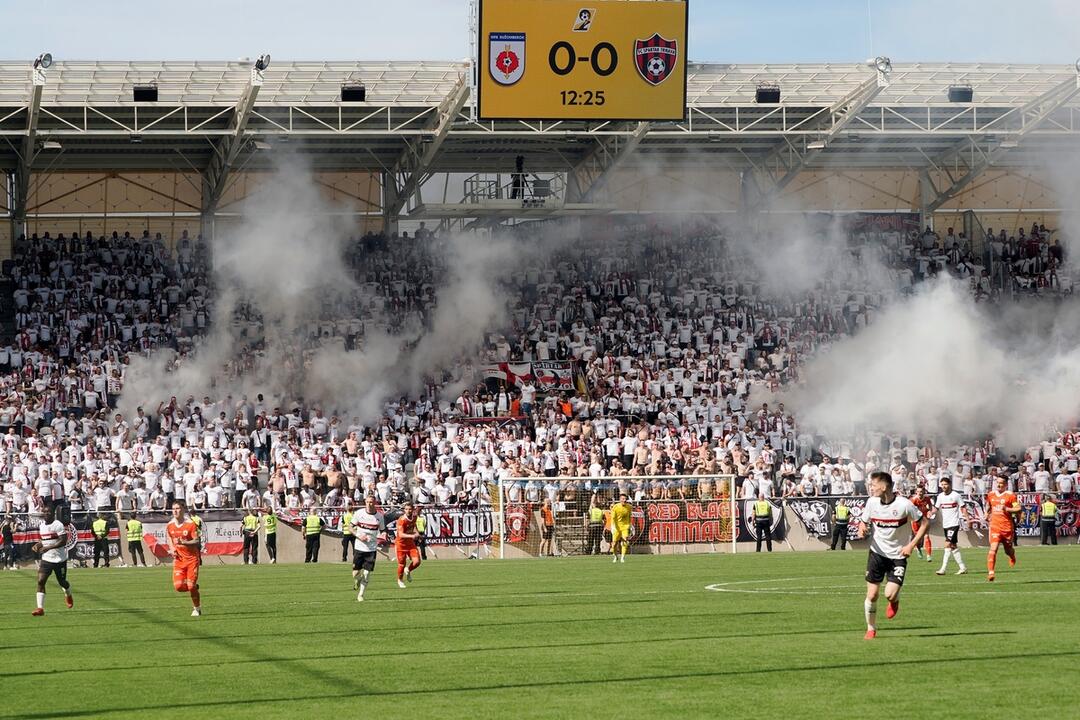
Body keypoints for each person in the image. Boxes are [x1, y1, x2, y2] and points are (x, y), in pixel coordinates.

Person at [858, 472, 928, 640]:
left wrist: (911, 545)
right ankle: (871, 628)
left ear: (884, 486)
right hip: (877, 553)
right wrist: (862, 528)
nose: (871, 488)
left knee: (889, 593)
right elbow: (863, 522)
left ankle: (894, 600)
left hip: (898, 555)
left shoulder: (905, 505)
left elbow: (925, 522)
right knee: (872, 594)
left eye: (873, 485)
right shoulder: (872, 502)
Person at [31, 505, 73, 615]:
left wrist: (48, 548)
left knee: (62, 582)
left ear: (53, 513)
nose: (46, 514)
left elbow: (63, 541)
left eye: (49, 512)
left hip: (59, 559)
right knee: (41, 581)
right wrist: (38, 545)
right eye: (44, 512)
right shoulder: (42, 526)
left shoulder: (57, 525)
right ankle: (40, 608)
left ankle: (68, 594)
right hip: (46, 559)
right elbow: (45, 540)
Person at [165, 500, 202, 616]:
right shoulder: (170, 525)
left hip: (192, 559)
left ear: (183, 509)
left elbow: (197, 541)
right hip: (179, 560)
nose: (175, 511)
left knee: (190, 586)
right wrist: (172, 549)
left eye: (178, 508)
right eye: (173, 508)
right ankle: (193, 586)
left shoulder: (190, 524)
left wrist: (184, 542)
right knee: (179, 587)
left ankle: (197, 608)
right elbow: (169, 537)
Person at [349, 495, 385, 602]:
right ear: (365, 502)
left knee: (367, 573)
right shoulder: (359, 513)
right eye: (367, 502)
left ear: (375, 503)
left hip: (371, 549)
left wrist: (383, 535)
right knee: (355, 573)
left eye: (371, 502)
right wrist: (358, 535)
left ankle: (361, 595)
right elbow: (350, 527)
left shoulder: (379, 516)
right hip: (359, 547)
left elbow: (383, 530)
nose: (369, 504)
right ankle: (357, 580)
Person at [985, 476, 1020, 581]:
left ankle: (1012, 556)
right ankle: (991, 573)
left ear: (1006, 485)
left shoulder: (1010, 496)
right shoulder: (991, 495)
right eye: (998, 482)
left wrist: (1008, 509)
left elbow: (1018, 508)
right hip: (995, 526)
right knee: (993, 548)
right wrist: (986, 514)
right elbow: (988, 506)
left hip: (1007, 527)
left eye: (1001, 483)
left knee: (1008, 550)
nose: (999, 485)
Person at [934, 477, 968, 575]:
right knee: (953, 546)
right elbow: (936, 508)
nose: (944, 486)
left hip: (954, 524)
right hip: (946, 524)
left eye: (945, 484)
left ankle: (943, 569)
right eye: (942, 484)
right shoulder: (940, 496)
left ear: (950, 485)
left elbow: (963, 507)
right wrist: (929, 513)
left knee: (947, 544)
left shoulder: (956, 495)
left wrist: (968, 519)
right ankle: (962, 567)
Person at [395, 501, 422, 589]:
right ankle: (400, 580)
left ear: (413, 509)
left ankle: (408, 570)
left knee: (417, 562)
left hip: (410, 544)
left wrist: (417, 533)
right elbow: (401, 534)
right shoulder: (401, 520)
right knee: (401, 564)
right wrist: (412, 536)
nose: (408, 511)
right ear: (404, 510)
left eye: (410, 509)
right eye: (406, 509)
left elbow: (414, 526)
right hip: (401, 545)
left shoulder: (414, 517)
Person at [910, 486, 934, 561]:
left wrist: (930, 511)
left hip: (924, 520)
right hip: (916, 520)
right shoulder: (914, 500)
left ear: (924, 492)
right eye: (918, 491)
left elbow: (930, 505)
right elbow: (910, 509)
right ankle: (918, 549)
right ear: (916, 492)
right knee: (918, 538)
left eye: (921, 491)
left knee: (927, 536)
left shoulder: (927, 498)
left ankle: (929, 555)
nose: (920, 493)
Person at [609, 494, 632, 563]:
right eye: (622, 499)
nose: (624, 500)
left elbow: (629, 516)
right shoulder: (616, 507)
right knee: (614, 544)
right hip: (616, 527)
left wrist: (629, 525)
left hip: (625, 526)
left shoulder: (629, 507)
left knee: (625, 541)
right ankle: (615, 556)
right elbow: (613, 517)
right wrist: (612, 526)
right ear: (620, 499)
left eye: (625, 499)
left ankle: (622, 557)